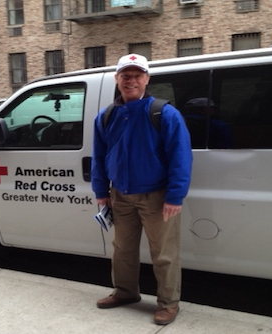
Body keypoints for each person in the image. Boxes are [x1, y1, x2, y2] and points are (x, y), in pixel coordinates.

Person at [91, 54, 192, 325]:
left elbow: (180, 156)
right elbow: (98, 157)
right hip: (120, 195)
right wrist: (102, 193)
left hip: (157, 197)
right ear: (117, 79)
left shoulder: (164, 113)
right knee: (122, 249)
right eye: (125, 75)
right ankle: (125, 293)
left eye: (137, 75)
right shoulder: (106, 116)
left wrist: (174, 196)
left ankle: (168, 304)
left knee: (164, 254)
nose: (131, 80)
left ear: (147, 79)